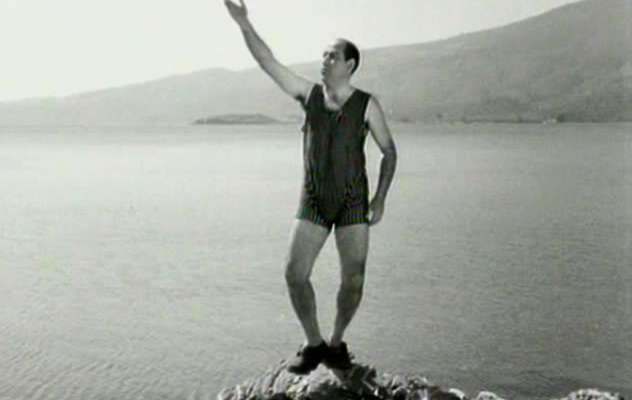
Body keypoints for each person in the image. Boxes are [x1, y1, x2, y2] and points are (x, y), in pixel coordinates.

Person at [224, 0, 397, 375]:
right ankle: (313, 343)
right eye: (323, 55)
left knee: (354, 281)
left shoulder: (367, 105)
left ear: (349, 65)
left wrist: (380, 199)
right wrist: (244, 24)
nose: (324, 60)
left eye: (332, 56)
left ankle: (336, 343)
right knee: (294, 274)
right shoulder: (309, 95)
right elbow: (268, 63)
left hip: (353, 204)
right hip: (314, 201)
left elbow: (389, 151)